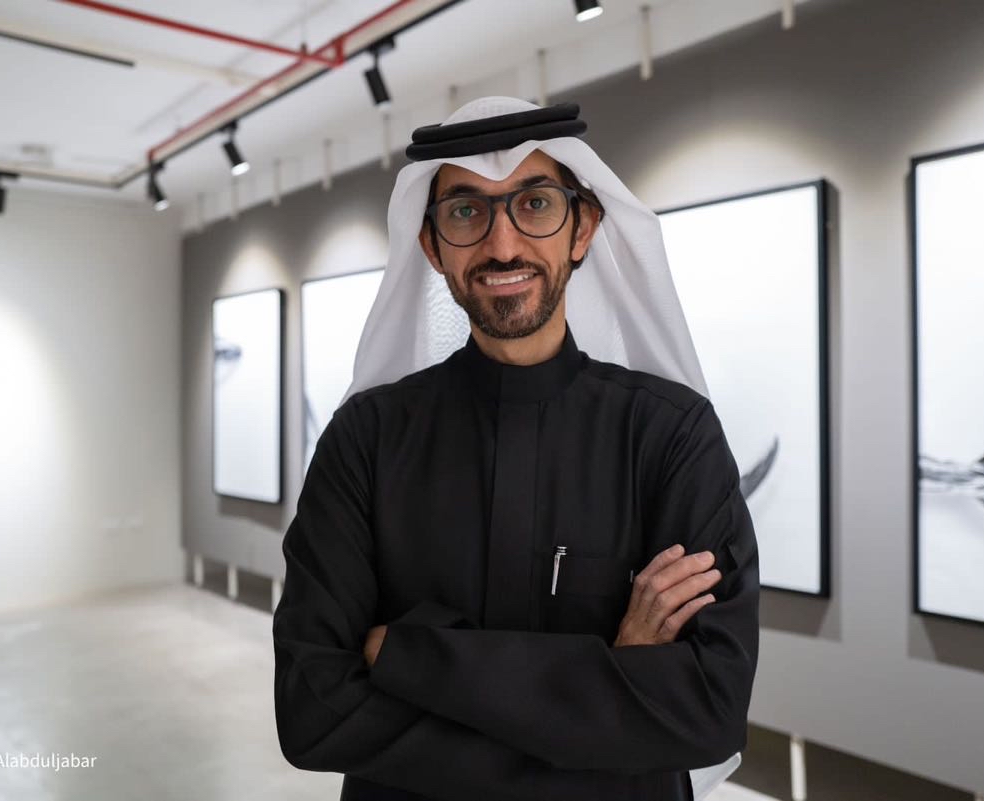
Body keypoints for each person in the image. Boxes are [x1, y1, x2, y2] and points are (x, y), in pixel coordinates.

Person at [273, 97, 760, 801]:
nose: (503, 246)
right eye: (466, 211)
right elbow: (313, 711)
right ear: (432, 245)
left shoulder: (672, 436)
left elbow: (709, 708)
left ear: (582, 228)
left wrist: (410, 653)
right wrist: (611, 688)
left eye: (535, 204)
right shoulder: (364, 441)